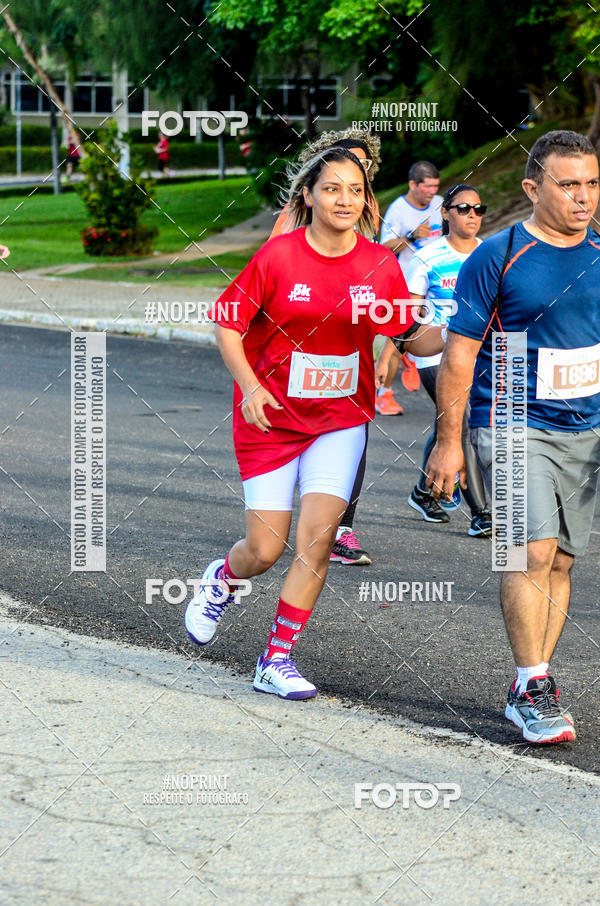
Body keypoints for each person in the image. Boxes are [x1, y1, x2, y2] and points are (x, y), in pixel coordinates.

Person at [184, 147, 444, 700]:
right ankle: (222, 580)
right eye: (332, 188)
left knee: (318, 542)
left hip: (340, 418)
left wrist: (433, 318)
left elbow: (418, 340)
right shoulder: (279, 256)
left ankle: (276, 659)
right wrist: (251, 386)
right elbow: (228, 325)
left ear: (366, 200)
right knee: (265, 549)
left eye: (355, 190)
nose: (344, 199)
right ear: (309, 195)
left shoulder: (380, 265)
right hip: (270, 415)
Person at [426, 130, 600, 744]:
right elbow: (459, 354)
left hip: (586, 425)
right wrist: (449, 441)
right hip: (509, 412)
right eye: (568, 184)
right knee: (528, 551)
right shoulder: (497, 255)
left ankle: (532, 680)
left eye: (591, 183)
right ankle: (532, 683)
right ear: (533, 188)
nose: (583, 198)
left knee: (563, 558)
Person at [269, 128, 383, 567]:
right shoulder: (296, 216)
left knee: (354, 438)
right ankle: (282, 518)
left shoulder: (366, 209)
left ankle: (340, 530)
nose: (357, 176)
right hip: (295, 349)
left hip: (349, 349)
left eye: (364, 169)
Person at [377, 184, 492, 536]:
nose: (472, 215)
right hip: (435, 355)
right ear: (445, 213)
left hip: (480, 355)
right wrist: (390, 355)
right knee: (467, 426)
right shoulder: (427, 258)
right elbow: (407, 316)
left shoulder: (490, 254)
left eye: (478, 208)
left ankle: (423, 492)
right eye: (463, 208)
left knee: (449, 424)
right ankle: (481, 512)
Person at [377, 161, 444, 415]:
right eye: (427, 187)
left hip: (436, 285)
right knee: (397, 341)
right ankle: (383, 395)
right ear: (412, 185)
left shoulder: (439, 204)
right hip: (406, 287)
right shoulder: (398, 210)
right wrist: (412, 236)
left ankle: (413, 357)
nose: (431, 192)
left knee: (445, 334)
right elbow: (385, 250)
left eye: (435, 187)